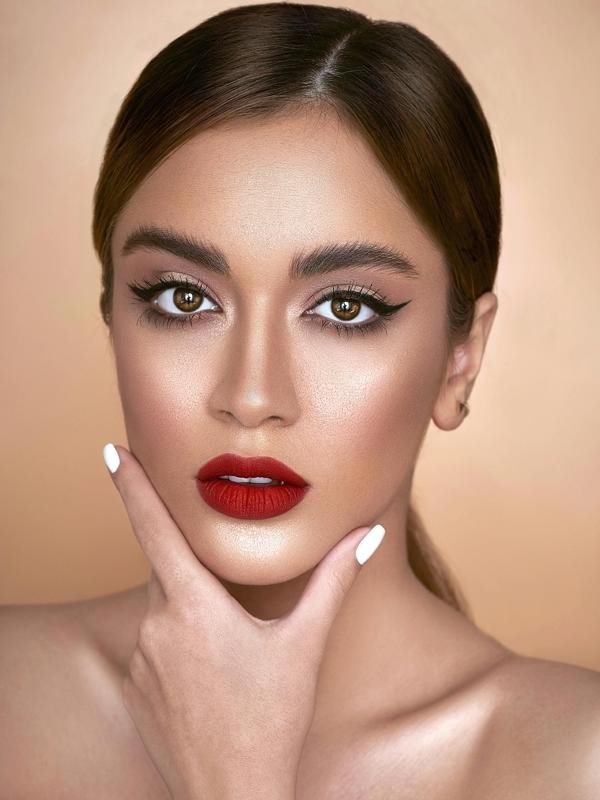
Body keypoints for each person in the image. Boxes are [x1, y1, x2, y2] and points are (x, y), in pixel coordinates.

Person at [2, 3, 599, 797]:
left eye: (345, 308)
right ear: (113, 314)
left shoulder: (574, 761)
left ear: (462, 358)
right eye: (183, 298)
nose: (251, 397)